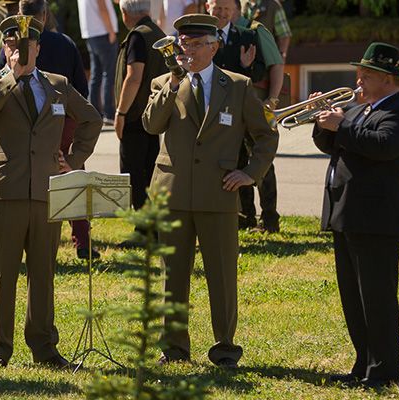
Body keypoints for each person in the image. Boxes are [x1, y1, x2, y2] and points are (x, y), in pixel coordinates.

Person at [142, 14, 277, 368]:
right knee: (173, 275)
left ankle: (225, 347)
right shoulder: (163, 82)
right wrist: (173, 82)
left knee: (221, 275)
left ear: (214, 47)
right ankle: (173, 348)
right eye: (183, 43)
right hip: (173, 193)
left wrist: (250, 173)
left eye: (196, 44)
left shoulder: (238, 85)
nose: (187, 50)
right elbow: (151, 124)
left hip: (218, 193)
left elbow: (265, 135)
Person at [0, 16, 101, 370]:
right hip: (8, 191)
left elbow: (91, 118)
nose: (20, 51)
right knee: (4, 273)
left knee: (43, 273)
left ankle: (44, 346)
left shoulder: (58, 84)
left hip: (46, 191)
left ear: (39, 48)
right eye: (13, 45)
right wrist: (12, 75)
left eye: (27, 46)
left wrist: (73, 159)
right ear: (4, 48)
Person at [312, 42, 399, 386]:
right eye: (360, 72)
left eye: (367, 74)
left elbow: (382, 146)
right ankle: (364, 363)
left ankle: (384, 370)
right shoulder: (360, 109)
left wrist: (341, 124)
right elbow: (331, 144)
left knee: (377, 298)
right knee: (354, 299)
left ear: (388, 79)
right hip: (348, 215)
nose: (358, 79)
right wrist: (322, 118)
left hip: (376, 219)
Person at [0, 0, 97, 260]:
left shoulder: (12, 42)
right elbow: (82, 90)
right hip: (62, 119)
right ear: (45, 14)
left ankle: (22, 238)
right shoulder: (65, 42)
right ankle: (82, 239)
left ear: (19, 14)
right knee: (70, 172)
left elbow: (2, 77)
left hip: (23, 120)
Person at [208, 0, 283, 232]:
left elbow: (263, 70)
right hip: (218, 113)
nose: (221, 13)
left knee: (261, 162)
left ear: (235, 11)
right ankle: (245, 216)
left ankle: (270, 217)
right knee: (235, 161)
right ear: (207, 7)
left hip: (246, 109)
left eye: (226, 9)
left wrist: (245, 65)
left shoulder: (248, 34)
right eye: (217, 8)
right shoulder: (202, 36)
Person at [113, 0, 165, 247]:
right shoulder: (158, 33)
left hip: (135, 117)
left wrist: (121, 112)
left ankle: (143, 231)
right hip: (153, 117)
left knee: (134, 175)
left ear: (125, 13)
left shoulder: (137, 36)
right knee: (150, 174)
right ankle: (152, 228)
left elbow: (134, 77)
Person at [77, 0, 118, 123]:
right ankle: (109, 113)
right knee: (108, 74)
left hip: (91, 34)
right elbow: (102, 8)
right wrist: (111, 31)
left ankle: (94, 113)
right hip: (103, 32)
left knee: (97, 75)